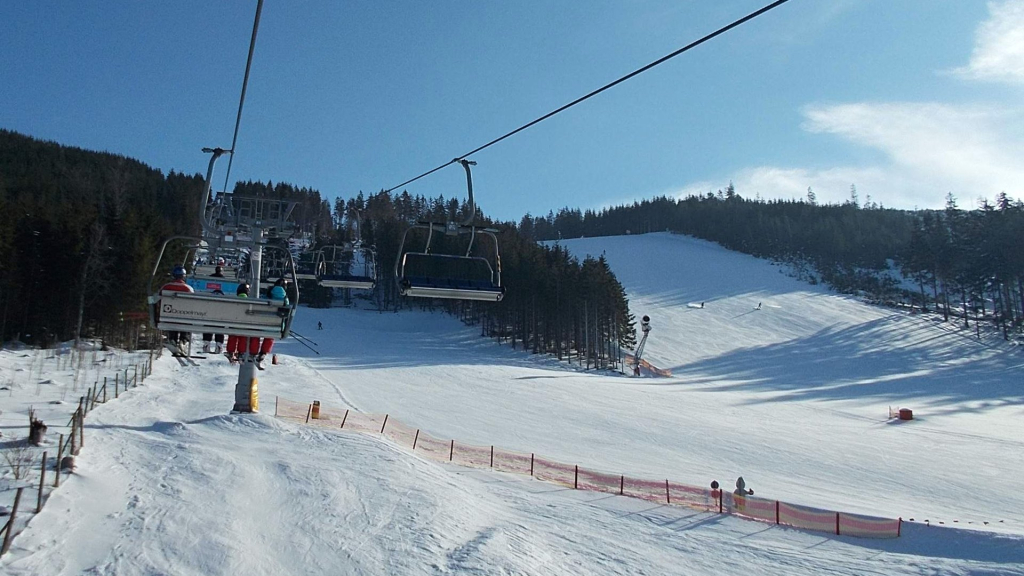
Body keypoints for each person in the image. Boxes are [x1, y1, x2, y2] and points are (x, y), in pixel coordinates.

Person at [250, 278, 289, 369]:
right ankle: (262, 354)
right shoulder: (285, 299)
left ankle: (253, 352)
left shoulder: (268, 295)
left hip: (262, 323)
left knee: (256, 334)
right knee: (270, 336)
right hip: (275, 326)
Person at [159, 265, 194, 350]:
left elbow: (159, 298)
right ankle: (183, 339)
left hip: (168, 315)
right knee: (185, 319)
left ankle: (172, 339)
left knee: (172, 319)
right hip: (185, 316)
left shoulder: (166, 287)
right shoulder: (188, 289)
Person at [202, 266, 227, 354]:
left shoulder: (210, 279)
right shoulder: (224, 281)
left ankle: (206, 343)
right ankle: (218, 345)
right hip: (220, 307)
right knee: (220, 325)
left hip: (209, 306)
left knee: (208, 324)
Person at [225, 283, 251, 363]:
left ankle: (230, 351)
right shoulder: (250, 302)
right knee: (243, 337)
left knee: (233, 336)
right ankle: (241, 352)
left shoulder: (234, 301)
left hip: (234, 325)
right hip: (244, 326)